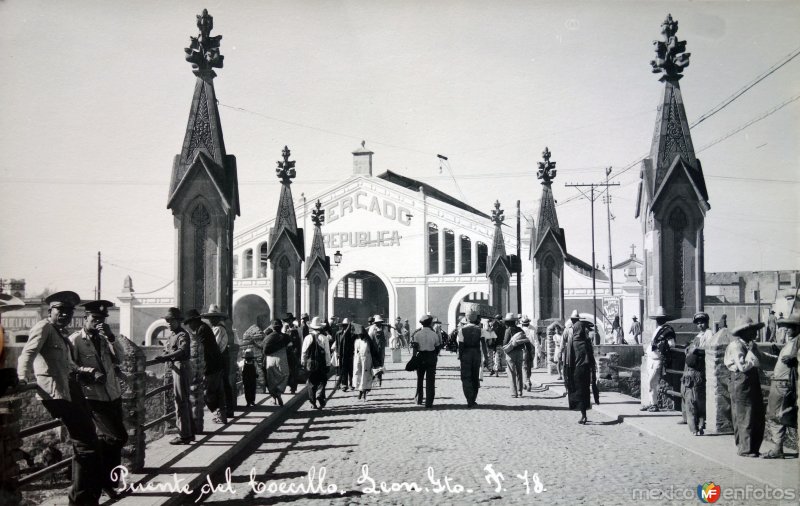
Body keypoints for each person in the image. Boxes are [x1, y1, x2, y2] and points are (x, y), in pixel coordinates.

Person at [17, 291, 102, 505]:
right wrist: (21, 377)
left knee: (89, 438)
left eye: (69, 311)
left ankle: (85, 493)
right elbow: (27, 353)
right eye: (60, 310)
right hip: (55, 393)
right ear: (50, 311)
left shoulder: (61, 332)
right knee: (86, 443)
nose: (65, 314)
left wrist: (84, 371)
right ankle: (82, 499)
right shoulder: (43, 327)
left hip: (69, 388)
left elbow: (67, 365)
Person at [68, 300, 128, 499]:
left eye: (102, 319)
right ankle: (104, 482)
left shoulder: (104, 339)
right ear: (85, 318)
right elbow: (71, 367)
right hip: (92, 397)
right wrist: (89, 372)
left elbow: (122, 357)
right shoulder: (75, 340)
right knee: (118, 438)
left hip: (113, 394)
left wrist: (111, 336)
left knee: (110, 441)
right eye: (95, 319)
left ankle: (109, 483)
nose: (98, 322)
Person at [152, 307, 195, 444]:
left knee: (181, 401)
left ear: (178, 321)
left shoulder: (182, 334)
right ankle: (188, 432)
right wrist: (164, 356)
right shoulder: (172, 335)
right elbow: (168, 350)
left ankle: (184, 435)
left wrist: (166, 357)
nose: (169, 323)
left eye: (171, 320)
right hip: (177, 366)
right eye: (167, 321)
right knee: (183, 400)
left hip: (181, 366)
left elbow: (182, 351)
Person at [724, 316, 766, 457]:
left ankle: (752, 447)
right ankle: (745, 448)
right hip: (741, 380)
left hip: (750, 379)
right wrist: (754, 360)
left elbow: (761, 356)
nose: (755, 333)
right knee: (745, 414)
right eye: (752, 330)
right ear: (744, 332)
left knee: (756, 413)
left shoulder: (749, 345)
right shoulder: (736, 346)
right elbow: (742, 366)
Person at [761, 314, 798, 459]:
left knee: (775, 416)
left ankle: (777, 449)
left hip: (783, 384)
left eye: (791, 327)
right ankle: (778, 447)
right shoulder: (792, 342)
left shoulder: (798, 342)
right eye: (787, 327)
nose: (787, 330)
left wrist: (794, 359)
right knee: (779, 415)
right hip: (779, 382)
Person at [183, 309, 226, 424]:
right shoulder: (204, 328)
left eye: (189, 323)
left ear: (194, 321)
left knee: (208, 392)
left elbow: (201, 350)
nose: (189, 326)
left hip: (210, 365)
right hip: (215, 364)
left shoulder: (201, 330)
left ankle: (218, 413)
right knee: (217, 391)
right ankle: (222, 415)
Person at [203, 304, 235, 419]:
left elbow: (214, 346)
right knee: (225, 384)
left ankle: (224, 410)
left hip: (220, 359)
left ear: (217, 318)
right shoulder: (221, 328)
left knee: (220, 385)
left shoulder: (218, 329)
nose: (211, 321)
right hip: (223, 358)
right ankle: (228, 410)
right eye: (210, 318)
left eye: (212, 318)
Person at [641, 307, 675, 413]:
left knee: (652, 381)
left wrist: (663, 348)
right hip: (651, 357)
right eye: (658, 318)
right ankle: (650, 403)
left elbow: (672, 344)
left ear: (665, 319)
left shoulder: (668, 330)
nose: (659, 320)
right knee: (649, 382)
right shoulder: (657, 329)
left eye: (661, 318)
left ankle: (655, 404)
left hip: (658, 358)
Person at [680, 312, 709, 435]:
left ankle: (700, 425)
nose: (700, 325)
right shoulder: (698, 336)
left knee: (699, 400)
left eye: (702, 322)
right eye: (698, 323)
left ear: (707, 322)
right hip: (690, 373)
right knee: (690, 399)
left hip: (699, 371)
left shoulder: (709, 334)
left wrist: (696, 350)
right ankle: (693, 428)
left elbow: (709, 349)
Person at [564, 316, 596, 424]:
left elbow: (569, 359)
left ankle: (583, 415)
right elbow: (591, 358)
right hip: (587, 370)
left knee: (579, 392)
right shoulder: (586, 342)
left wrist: (568, 373)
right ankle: (584, 413)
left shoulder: (572, 342)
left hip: (577, 370)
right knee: (585, 391)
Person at [457, 310, 489, 407]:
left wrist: (460, 356)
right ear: (476, 319)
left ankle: (469, 399)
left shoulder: (462, 330)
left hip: (466, 354)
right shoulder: (480, 330)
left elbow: (461, 345)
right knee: (475, 376)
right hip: (476, 354)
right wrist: (486, 358)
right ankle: (473, 399)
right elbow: (483, 345)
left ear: (466, 318)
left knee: (466, 377)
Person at [410, 314, 442, 407]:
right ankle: (429, 402)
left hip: (420, 357)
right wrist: (434, 355)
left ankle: (419, 399)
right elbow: (437, 346)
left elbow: (415, 348)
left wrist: (414, 357)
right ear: (430, 323)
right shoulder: (434, 334)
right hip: (431, 357)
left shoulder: (417, 334)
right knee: (430, 380)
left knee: (420, 379)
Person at [302, 316, 332, 409]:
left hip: (310, 363)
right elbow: (327, 352)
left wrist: (303, 362)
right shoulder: (324, 338)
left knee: (311, 382)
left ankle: (312, 402)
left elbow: (303, 352)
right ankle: (320, 395)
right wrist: (328, 364)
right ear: (320, 328)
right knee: (322, 380)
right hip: (321, 362)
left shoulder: (307, 338)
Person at [502, 313, 533, 398]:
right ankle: (520, 391)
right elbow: (527, 341)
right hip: (520, 352)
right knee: (519, 371)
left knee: (512, 372)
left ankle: (514, 392)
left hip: (511, 353)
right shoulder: (520, 329)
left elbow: (505, 343)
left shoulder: (508, 330)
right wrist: (529, 352)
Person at [261, 319, 290, 406]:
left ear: (273, 328)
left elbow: (264, 350)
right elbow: (290, 347)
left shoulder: (268, 337)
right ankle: (279, 392)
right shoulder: (286, 337)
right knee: (284, 375)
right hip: (282, 359)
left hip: (270, 360)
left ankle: (274, 398)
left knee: (271, 379)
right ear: (281, 327)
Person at [353, 324, 374, 400]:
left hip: (366, 360)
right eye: (359, 335)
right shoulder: (357, 341)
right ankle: (360, 391)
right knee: (358, 375)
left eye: (361, 334)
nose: (360, 336)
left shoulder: (368, 341)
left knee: (365, 375)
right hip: (358, 360)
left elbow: (373, 351)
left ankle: (364, 392)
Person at [283, 313, 303, 394]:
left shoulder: (297, 328)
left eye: (290, 320)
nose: (289, 322)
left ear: (292, 320)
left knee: (294, 371)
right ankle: (285, 386)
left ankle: (293, 388)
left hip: (295, 352)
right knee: (286, 370)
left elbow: (301, 340)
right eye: (287, 321)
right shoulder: (283, 329)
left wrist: (300, 353)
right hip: (286, 353)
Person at [335, 318, 356, 391]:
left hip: (350, 355)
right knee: (343, 370)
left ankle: (351, 384)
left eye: (347, 326)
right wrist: (337, 353)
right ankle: (344, 384)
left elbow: (354, 344)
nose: (345, 327)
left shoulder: (352, 334)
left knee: (351, 369)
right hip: (341, 355)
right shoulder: (338, 334)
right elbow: (337, 344)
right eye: (344, 325)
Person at [368, 315, 386, 386]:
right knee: (374, 363)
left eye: (380, 322)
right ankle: (374, 378)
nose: (379, 324)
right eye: (377, 322)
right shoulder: (372, 328)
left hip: (381, 349)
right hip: (374, 348)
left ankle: (379, 379)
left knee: (381, 363)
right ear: (375, 322)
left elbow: (388, 336)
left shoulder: (384, 328)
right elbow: (369, 338)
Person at [520, 317, 536, 390]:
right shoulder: (533, 329)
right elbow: (536, 341)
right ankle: (527, 379)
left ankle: (526, 381)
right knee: (529, 366)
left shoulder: (520, 330)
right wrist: (538, 352)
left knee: (524, 366)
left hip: (523, 349)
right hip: (531, 349)